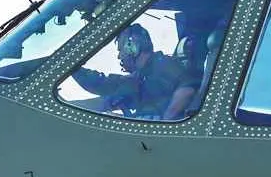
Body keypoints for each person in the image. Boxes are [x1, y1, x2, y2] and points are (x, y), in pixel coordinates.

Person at [69, 24, 200, 121]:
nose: (119, 56)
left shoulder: (164, 64)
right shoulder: (140, 77)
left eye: (121, 50)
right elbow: (105, 87)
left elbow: (187, 90)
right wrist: (71, 107)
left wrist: (167, 120)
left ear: (133, 46)